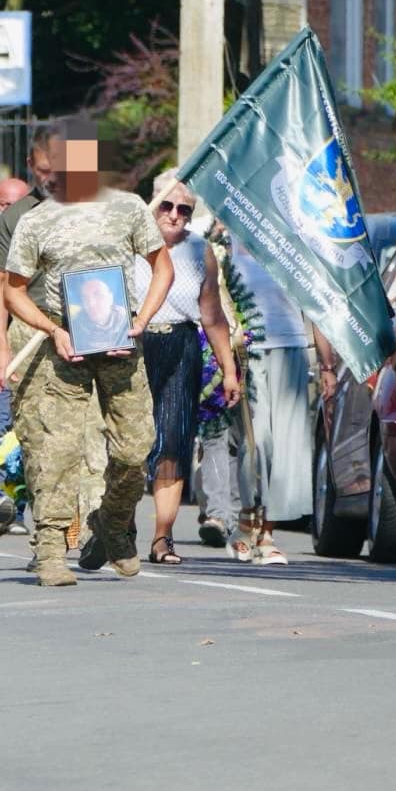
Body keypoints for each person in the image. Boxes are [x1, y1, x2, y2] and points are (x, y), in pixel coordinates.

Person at [2, 124, 174, 587]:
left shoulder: (128, 207)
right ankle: (52, 547)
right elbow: (13, 291)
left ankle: (113, 524)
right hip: (64, 350)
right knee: (58, 450)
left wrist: (141, 319)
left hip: (121, 344)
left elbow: (162, 266)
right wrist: (52, 328)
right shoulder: (36, 221)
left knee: (136, 448)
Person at [132, 179, 241, 566]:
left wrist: (229, 369)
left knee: (173, 444)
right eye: (168, 207)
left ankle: (162, 537)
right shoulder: (128, 241)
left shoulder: (200, 251)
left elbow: (211, 315)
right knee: (127, 443)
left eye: (185, 210)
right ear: (153, 204)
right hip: (133, 346)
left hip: (180, 345)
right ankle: (117, 527)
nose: (176, 216)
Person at [225, 239, 311, 565]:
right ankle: (247, 517)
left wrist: (328, 367)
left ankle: (267, 532)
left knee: (288, 447)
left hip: (292, 347)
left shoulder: (295, 245)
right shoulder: (228, 245)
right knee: (257, 440)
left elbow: (317, 307)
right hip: (248, 353)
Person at [69, 277, 133, 355]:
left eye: (98, 295)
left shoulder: (128, 322)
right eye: (85, 298)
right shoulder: (76, 327)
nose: (91, 304)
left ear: (110, 298)